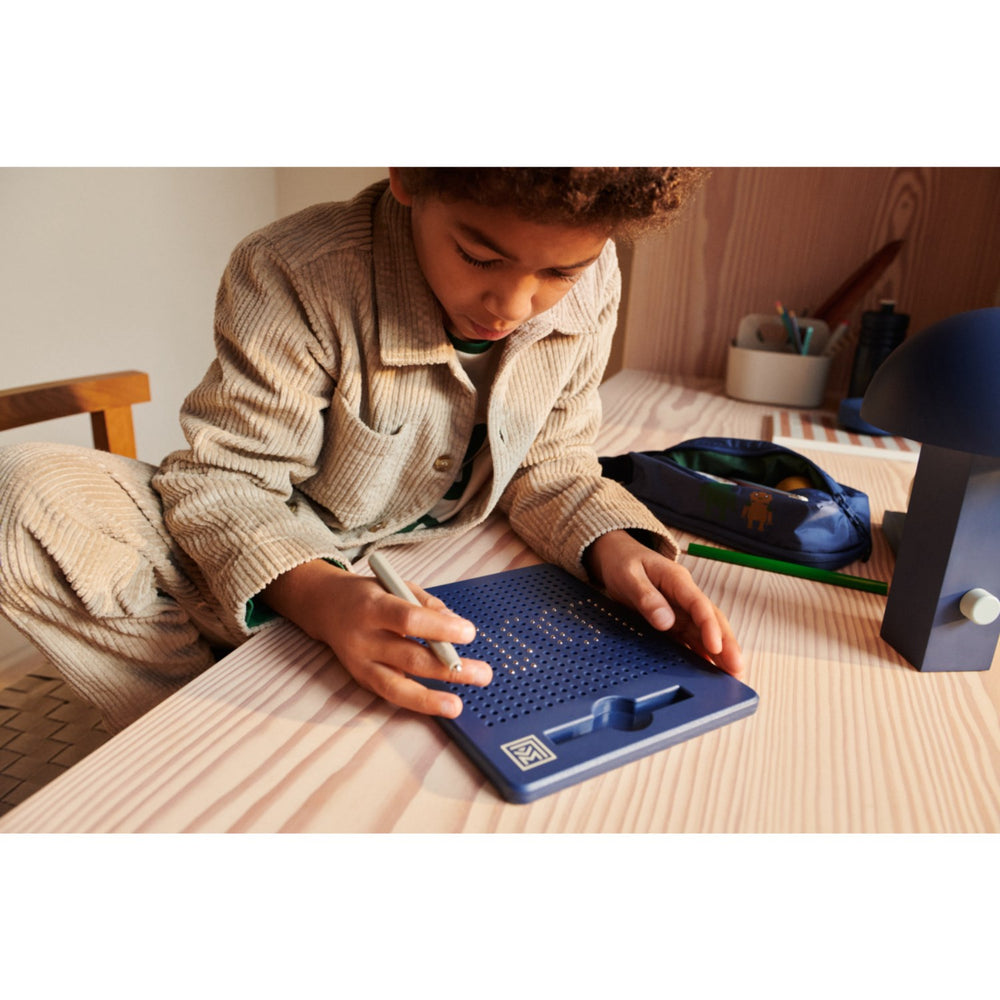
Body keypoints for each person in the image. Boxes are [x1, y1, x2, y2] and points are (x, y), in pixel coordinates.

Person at [0, 167, 742, 732]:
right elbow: (227, 483)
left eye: (558, 274)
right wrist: (324, 600)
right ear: (408, 177)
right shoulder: (296, 270)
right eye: (478, 256)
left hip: (448, 572)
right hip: (279, 559)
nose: (513, 306)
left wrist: (615, 545)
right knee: (23, 496)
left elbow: (553, 464)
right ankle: (199, 730)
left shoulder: (595, 278)